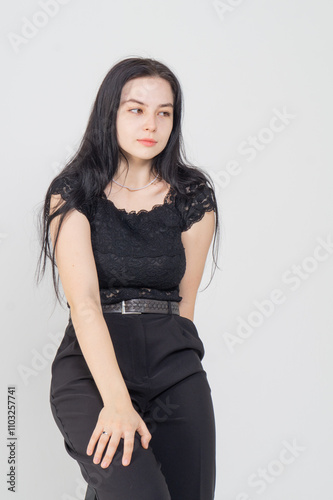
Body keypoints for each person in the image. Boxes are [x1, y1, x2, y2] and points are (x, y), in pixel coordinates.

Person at [36, 56, 221, 500]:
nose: (151, 125)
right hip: (92, 366)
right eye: (136, 109)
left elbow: (186, 303)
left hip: (173, 366)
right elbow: (83, 303)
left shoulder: (194, 195)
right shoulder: (74, 191)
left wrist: (181, 370)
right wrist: (117, 402)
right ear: (110, 113)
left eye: (164, 113)